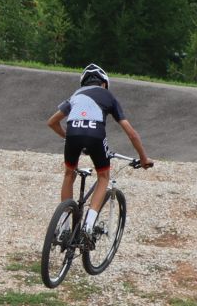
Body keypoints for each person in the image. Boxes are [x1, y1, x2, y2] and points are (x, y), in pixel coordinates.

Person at [45, 64, 153, 242]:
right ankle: (88, 225)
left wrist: (69, 137)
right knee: (103, 176)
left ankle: (64, 227)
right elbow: (131, 132)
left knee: (68, 174)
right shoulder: (108, 95)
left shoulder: (76, 95)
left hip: (73, 133)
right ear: (104, 84)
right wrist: (143, 158)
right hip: (96, 135)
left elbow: (52, 122)